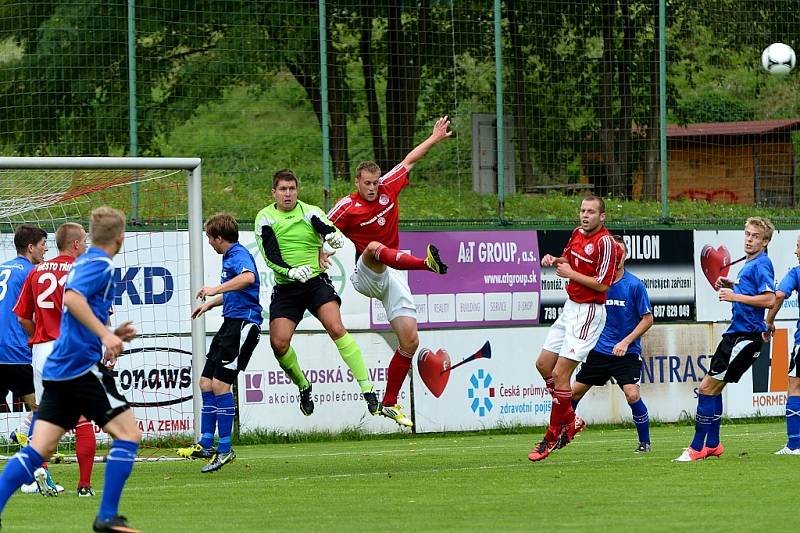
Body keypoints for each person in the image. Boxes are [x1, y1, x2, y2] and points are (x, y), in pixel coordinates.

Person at [0, 206, 141, 533]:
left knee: (39, 449)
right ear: (120, 237)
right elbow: (74, 300)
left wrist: (111, 334)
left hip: (57, 364)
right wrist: (106, 334)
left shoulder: (80, 263)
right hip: (79, 366)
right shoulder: (99, 265)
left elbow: (73, 310)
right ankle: (106, 515)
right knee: (129, 434)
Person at [327, 116, 451, 427]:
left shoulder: (387, 189)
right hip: (366, 274)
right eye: (366, 183)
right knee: (372, 248)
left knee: (410, 341)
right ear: (357, 182)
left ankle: (390, 402)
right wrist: (319, 251)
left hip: (394, 275)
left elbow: (409, 162)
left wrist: (435, 138)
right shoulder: (347, 206)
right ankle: (426, 264)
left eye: (375, 182)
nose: (372, 188)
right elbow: (320, 226)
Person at [255, 169, 379, 417]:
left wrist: (331, 236)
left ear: (297, 191)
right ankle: (303, 385)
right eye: (283, 189)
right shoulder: (265, 217)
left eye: (292, 189)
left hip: (315, 281)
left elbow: (323, 225)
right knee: (278, 344)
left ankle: (368, 391)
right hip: (287, 286)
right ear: (274, 193)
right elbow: (270, 254)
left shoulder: (309, 210)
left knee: (336, 327)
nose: (288, 194)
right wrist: (290, 272)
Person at [674, 217, 776, 462]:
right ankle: (713, 444)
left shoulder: (762, 264)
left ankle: (697, 447)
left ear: (765, 242)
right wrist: (734, 284)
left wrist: (734, 297)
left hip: (742, 336)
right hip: (740, 335)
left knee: (706, 388)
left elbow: (770, 299)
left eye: (755, 236)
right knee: (714, 389)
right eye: (747, 234)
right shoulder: (751, 264)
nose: (749, 239)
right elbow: (752, 290)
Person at [528, 196, 618, 462]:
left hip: (589, 311)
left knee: (559, 374)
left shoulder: (606, 243)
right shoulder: (577, 233)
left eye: (591, 211)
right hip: (571, 307)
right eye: (582, 210)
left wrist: (569, 274)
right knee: (544, 365)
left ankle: (552, 435)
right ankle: (571, 419)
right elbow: (568, 259)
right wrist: (555, 260)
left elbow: (603, 285)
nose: (585, 215)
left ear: (602, 216)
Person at [13, 222, 97, 496]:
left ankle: (42, 472)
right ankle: (84, 485)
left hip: (42, 351)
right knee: (83, 417)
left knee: (44, 416)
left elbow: (23, 316)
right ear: (74, 244)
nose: (86, 245)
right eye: (84, 241)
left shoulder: (36, 272)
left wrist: (38, 334)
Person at [177, 213, 262, 473]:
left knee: (220, 385)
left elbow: (248, 278)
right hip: (230, 324)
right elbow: (237, 291)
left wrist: (215, 288)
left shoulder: (238, 255)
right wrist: (210, 303)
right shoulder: (230, 257)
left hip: (243, 325)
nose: (209, 243)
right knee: (205, 383)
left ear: (219, 238)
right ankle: (206, 443)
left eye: (209, 238)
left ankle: (225, 449)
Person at [567, 235, 654, 453]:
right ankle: (561, 432)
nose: (617, 256)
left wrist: (626, 341)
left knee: (632, 395)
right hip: (599, 351)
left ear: (625, 256)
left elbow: (648, 318)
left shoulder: (634, 285)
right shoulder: (595, 283)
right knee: (572, 394)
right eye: (613, 252)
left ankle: (645, 443)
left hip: (627, 353)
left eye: (621, 252)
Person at [0, 224, 59, 493]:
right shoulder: (33, 272)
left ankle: (23, 435)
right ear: (31, 247)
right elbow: (32, 315)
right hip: (16, 352)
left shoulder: (3, 268)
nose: (47, 248)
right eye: (43, 243)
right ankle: (35, 477)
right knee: (44, 411)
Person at [765, 234, 800, 455]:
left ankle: (795, 444)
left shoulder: (796, 273)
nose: (796, 251)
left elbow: (779, 295)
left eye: (798, 246)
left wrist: (769, 320)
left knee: (795, 387)